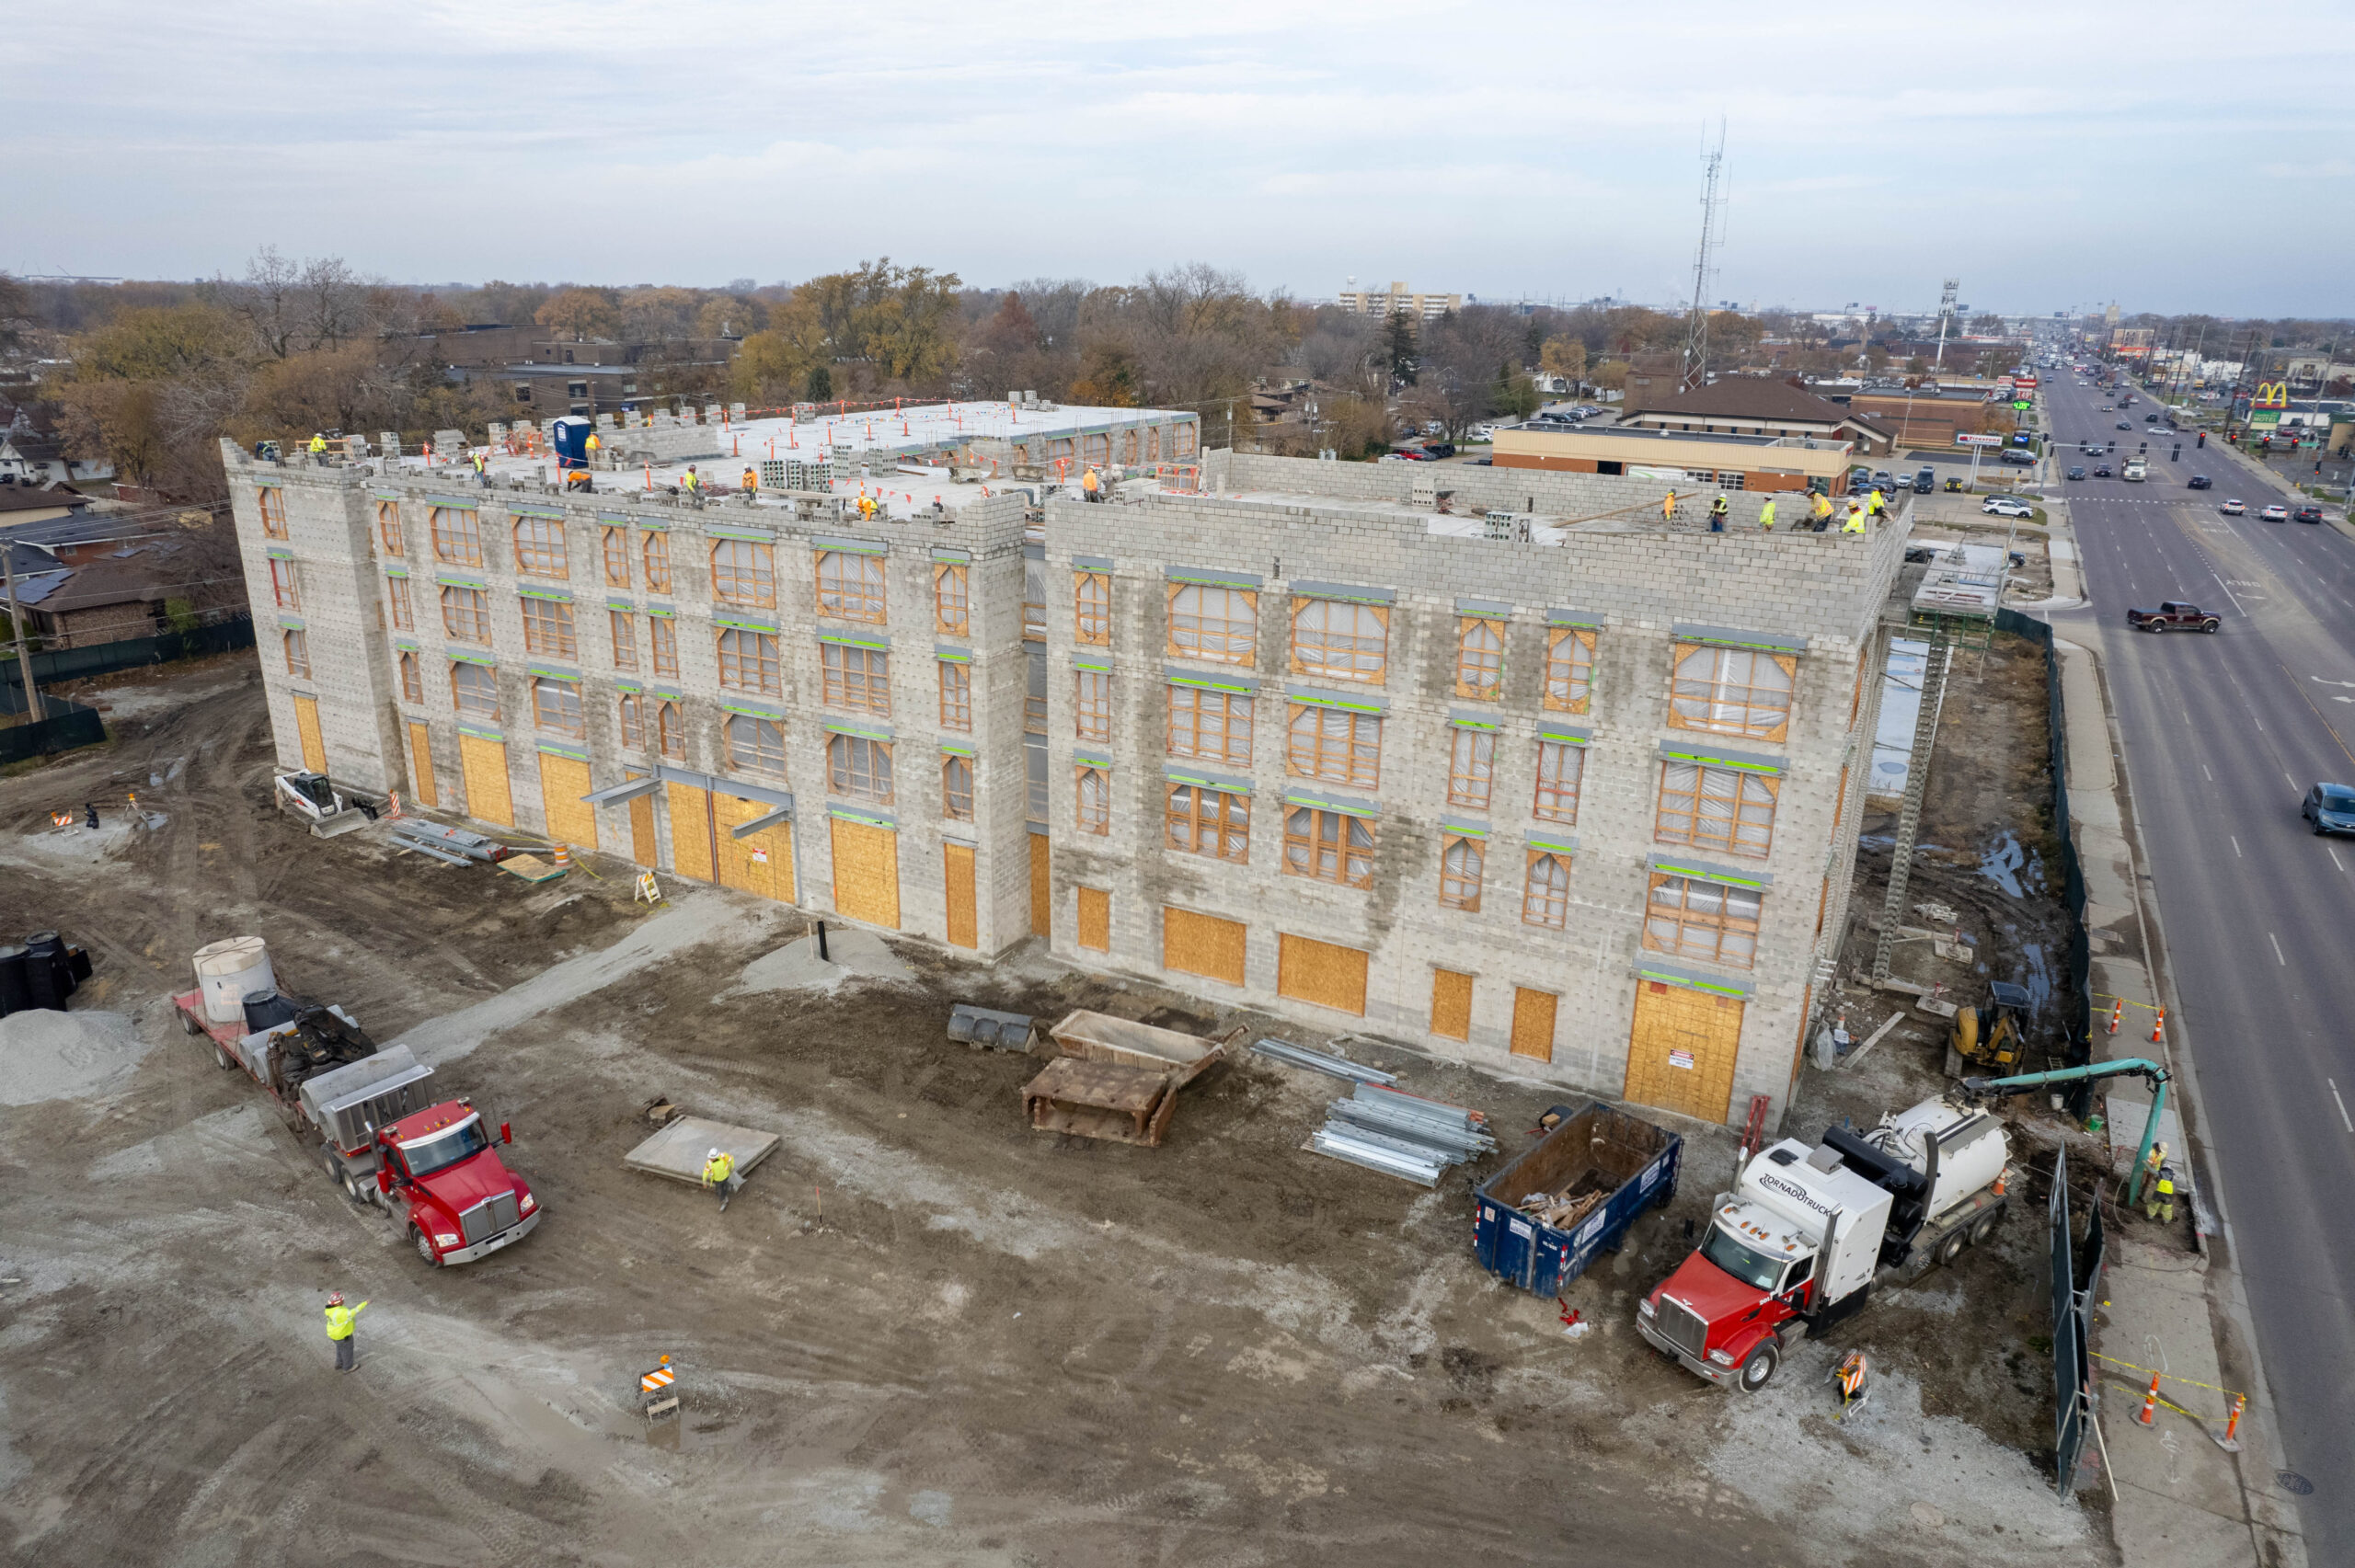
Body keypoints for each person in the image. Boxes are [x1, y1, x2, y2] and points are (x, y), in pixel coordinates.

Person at [324, 1290, 369, 1371]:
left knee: (340, 1348)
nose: (343, 1301)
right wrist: (365, 1303)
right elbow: (355, 1311)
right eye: (342, 1300)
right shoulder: (342, 1312)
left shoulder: (330, 1310)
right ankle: (348, 1367)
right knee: (347, 1351)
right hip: (343, 1336)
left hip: (334, 1335)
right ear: (338, 1303)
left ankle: (339, 1363)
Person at [701, 1147, 740, 1212]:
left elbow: (731, 1158)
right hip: (717, 1180)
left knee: (725, 1186)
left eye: (711, 1158)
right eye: (710, 1157)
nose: (710, 1159)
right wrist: (704, 1182)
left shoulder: (723, 1156)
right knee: (720, 1191)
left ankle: (731, 1187)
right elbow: (705, 1172)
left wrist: (732, 1167)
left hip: (725, 1177)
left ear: (715, 1157)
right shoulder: (709, 1163)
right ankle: (724, 1201)